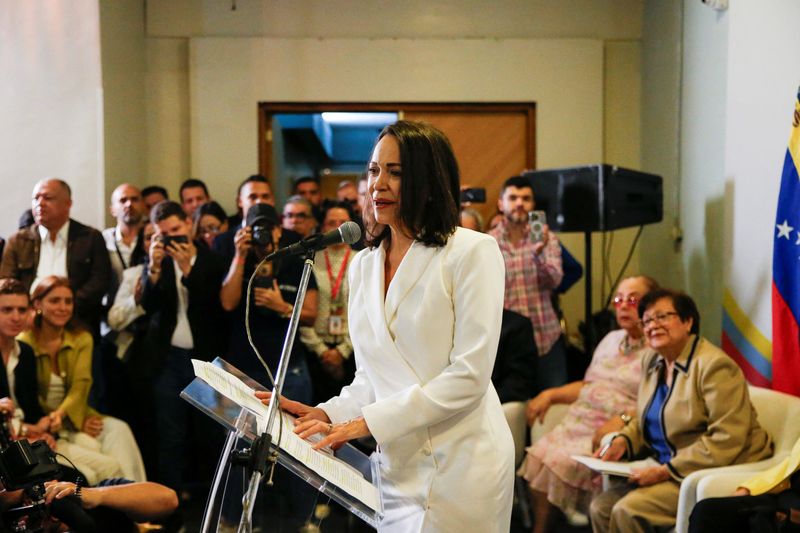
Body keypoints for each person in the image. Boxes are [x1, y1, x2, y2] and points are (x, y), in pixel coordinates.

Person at [258, 121, 515, 532]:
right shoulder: (363, 264)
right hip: (397, 466)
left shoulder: (471, 252)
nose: (379, 184)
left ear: (429, 182)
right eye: (374, 171)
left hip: (465, 464)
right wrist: (326, 413)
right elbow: (371, 378)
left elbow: (469, 376)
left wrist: (363, 424)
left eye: (396, 172)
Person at [590, 288, 774, 533]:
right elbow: (645, 417)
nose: (652, 325)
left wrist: (666, 470)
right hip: (665, 466)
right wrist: (623, 442)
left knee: (628, 510)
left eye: (662, 317)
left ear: (688, 322)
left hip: (711, 469)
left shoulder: (714, 366)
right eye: (646, 320)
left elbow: (727, 437)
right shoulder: (651, 360)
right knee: (600, 507)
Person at [519, 275, 658, 533]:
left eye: (632, 299)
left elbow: (658, 402)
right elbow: (588, 385)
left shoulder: (657, 348)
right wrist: (551, 394)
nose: (623, 305)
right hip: (576, 423)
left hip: (609, 432)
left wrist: (626, 419)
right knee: (538, 455)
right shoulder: (610, 340)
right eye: (618, 300)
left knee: (559, 461)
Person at [18, 276, 146, 485]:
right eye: (55, 300)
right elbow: (28, 397)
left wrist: (67, 415)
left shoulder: (81, 338)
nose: (63, 307)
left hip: (75, 414)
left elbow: (81, 385)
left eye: (68, 301)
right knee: (100, 455)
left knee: (120, 429)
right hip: (46, 423)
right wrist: (57, 421)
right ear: (38, 304)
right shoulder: (24, 342)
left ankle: (139, 504)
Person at [140, 201, 227, 492]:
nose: (172, 238)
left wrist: (188, 268)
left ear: (189, 224)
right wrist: (152, 267)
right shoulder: (158, 261)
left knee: (208, 433)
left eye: (176, 230)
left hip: (204, 359)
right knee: (169, 433)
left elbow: (216, 308)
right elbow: (148, 306)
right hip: (167, 357)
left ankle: (208, 500)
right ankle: (170, 501)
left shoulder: (212, 259)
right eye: (164, 234)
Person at [0, 179, 111, 334]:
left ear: (68, 204)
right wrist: (33, 310)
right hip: (28, 323)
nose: (40, 203)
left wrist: (63, 307)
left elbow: (100, 281)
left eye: (47, 198)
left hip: (78, 322)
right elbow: (7, 282)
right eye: (35, 198)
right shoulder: (18, 241)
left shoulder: (89, 238)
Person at [488, 175, 566, 392]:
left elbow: (555, 281)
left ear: (533, 205)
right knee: (514, 410)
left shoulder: (546, 239)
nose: (520, 203)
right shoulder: (488, 243)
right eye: (513, 197)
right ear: (501, 203)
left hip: (546, 338)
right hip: (508, 344)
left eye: (526, 198)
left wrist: (539, 253)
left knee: (551, 409)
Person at [299, 202, 357, 403]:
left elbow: (367, 312)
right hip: (315, 349)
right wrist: (322, 351)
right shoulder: (310, 260)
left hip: (353, 349)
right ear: (323, 228)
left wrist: (344, 351)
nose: (338, 227)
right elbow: (302, 309)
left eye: (343, 222)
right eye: (332, 222)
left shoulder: (363, 260)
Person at [688, 434, 800, 533]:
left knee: (767, 524)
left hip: (794, 509)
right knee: (708, 511)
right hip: (787, 496)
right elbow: (791, 463)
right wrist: (750, 488)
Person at [0, 278, 51, 442]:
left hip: (29, 439)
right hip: (7, 446)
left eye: (22, 310)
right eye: (7, 310)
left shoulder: (26, 352)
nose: (16, 317)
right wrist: (30, 430)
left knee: (108, 465)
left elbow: (32, 408)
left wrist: (45, 428)